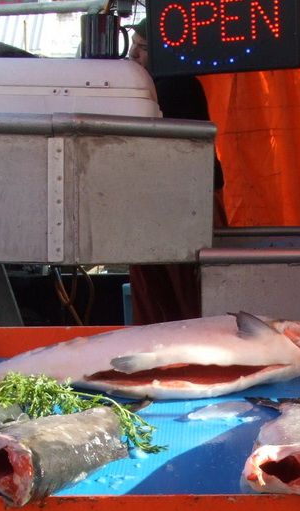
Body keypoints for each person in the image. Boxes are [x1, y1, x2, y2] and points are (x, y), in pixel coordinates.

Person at [126, 18, 227, 325]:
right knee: (168, 299)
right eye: (133, 45)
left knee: (187, 300)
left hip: (185, 206)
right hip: (156, 204)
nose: (132, 54)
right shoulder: (147, 88)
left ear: (165, 53)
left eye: (142, 48)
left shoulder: (176, 86)